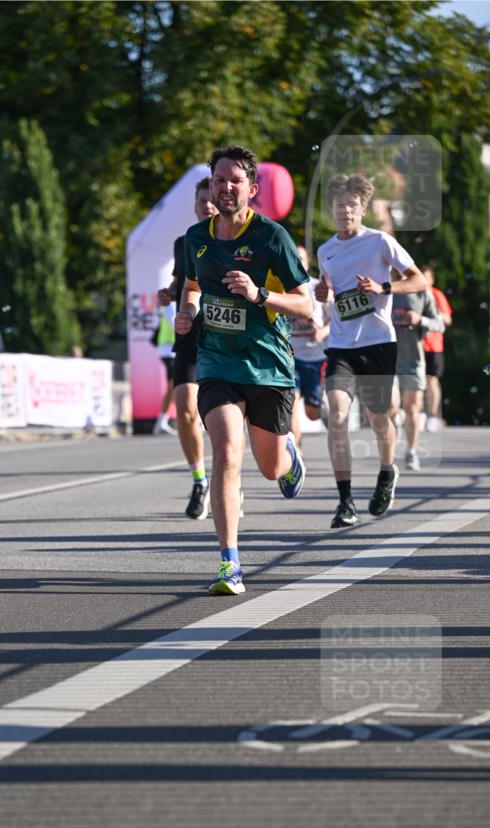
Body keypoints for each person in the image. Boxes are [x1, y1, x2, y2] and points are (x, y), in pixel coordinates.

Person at [176, 145, 310, 595]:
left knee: (269, 468)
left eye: (235, 181)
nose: (225, 187)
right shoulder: (197, 238)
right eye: (218, 180)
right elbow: (192, 285)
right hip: (217, 362)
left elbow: (306, 304)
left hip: (269, 366)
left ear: (252, 189)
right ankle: (229, 563)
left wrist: (258, 295)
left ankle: (289, 457)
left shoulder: (272, 238)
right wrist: (188, 312)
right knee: (227, 451)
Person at [316, 173, 427, 529]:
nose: (345, 210)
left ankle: (386, 470)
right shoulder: (325, 250)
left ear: (363, 209)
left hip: (378, 342)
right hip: (341, 345)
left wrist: (383, 286)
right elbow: (332, 291)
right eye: (339, 204)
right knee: (336, 415)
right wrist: (324, 293)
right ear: (331, 209)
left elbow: (419, 279)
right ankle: (345, 501)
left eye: (352, 205)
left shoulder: (380, 242)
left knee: (380, 419)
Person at [158, 177, 218, 518]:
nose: (207, 206)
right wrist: (169, 293)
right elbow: (183, 281)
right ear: (195, 205)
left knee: (223, 417)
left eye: (211, 200)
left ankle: (229, 474)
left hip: (225, 337)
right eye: (201, 201)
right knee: (184, 409)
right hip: (190, 333)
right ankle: (199, 480)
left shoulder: (231, 239)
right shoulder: (185, 242)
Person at [390, 277, 442, 470]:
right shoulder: (382, 288)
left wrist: (420, 320)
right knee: (391, 406)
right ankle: (389, 455)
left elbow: (440, 324)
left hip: (413, 361)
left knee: (412, 408)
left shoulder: (422, 291)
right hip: (387, 360)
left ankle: (411, 451)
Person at [288, 245, 331, 453]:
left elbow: (337, 317)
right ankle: (296, 450)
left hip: (316, 358)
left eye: (301, 258)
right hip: (291, 358)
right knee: (291, 405)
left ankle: (323, 410)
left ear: (307, 262)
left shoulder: (318, 288)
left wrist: (323, 332)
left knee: (312, 412)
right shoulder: (283, 288)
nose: (297, 261)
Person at [421, 265, 452, 432]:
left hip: (434, 345)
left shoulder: (436, 295)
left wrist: (428, 319)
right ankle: (420, 414)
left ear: (431, 279)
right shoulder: (413, 295)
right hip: (416, 345)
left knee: (432, 380)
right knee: (417, 382)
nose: (424, 280)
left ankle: (433, 415)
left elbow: (447, 319)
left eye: (426, 277)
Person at [151, 307, 176, 435]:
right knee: (174, 385)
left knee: (174, 386)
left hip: (169, 350)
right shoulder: (172, 306)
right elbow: (175, 326)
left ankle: (162, 420)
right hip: (170, 350)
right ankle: (161, 420)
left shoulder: (171, 305)